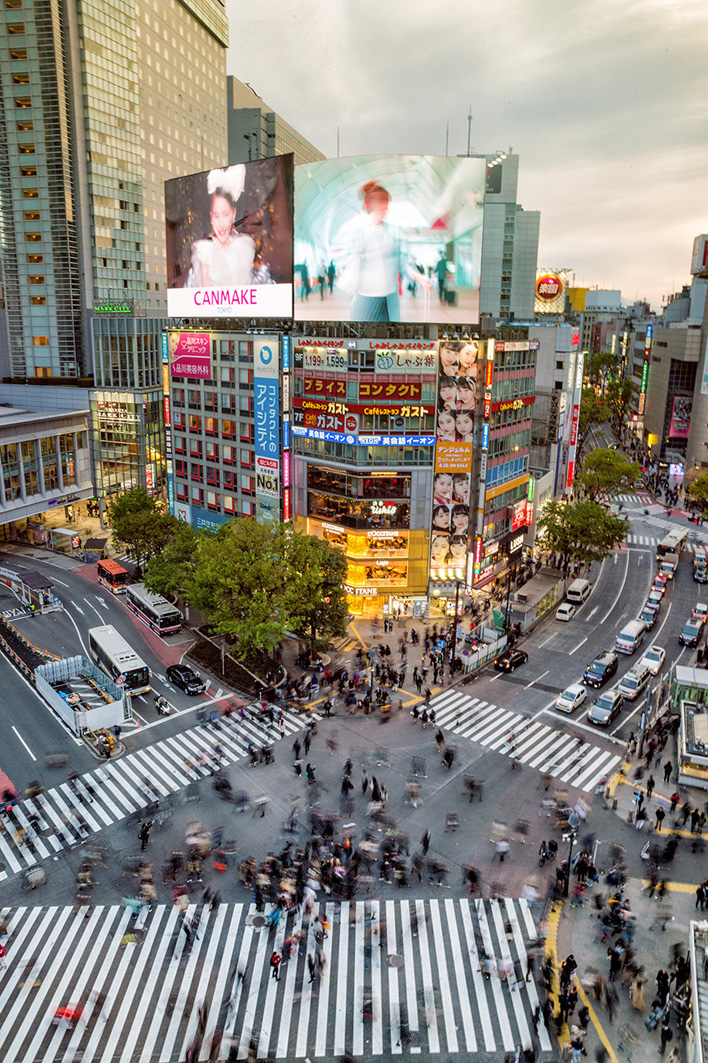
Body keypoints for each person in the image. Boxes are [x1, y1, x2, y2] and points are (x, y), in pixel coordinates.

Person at [335, 180, 431, 323]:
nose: (384, 211)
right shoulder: (358, 234)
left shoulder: (394, 232)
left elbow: (404, 261)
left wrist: (419, 277)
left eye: (386, 208)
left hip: (389, 298)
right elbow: (347, 263)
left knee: (389, 341)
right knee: (360, 341)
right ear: (368, 206)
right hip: (364, 297)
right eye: (380, 207)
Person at [188, 166, 256, 288]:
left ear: (233, 214)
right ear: (211, 217)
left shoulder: (242, 248)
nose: (221, 223)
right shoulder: (204, 252)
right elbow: (206, 297)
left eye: (225, 214)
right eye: (216, 215)